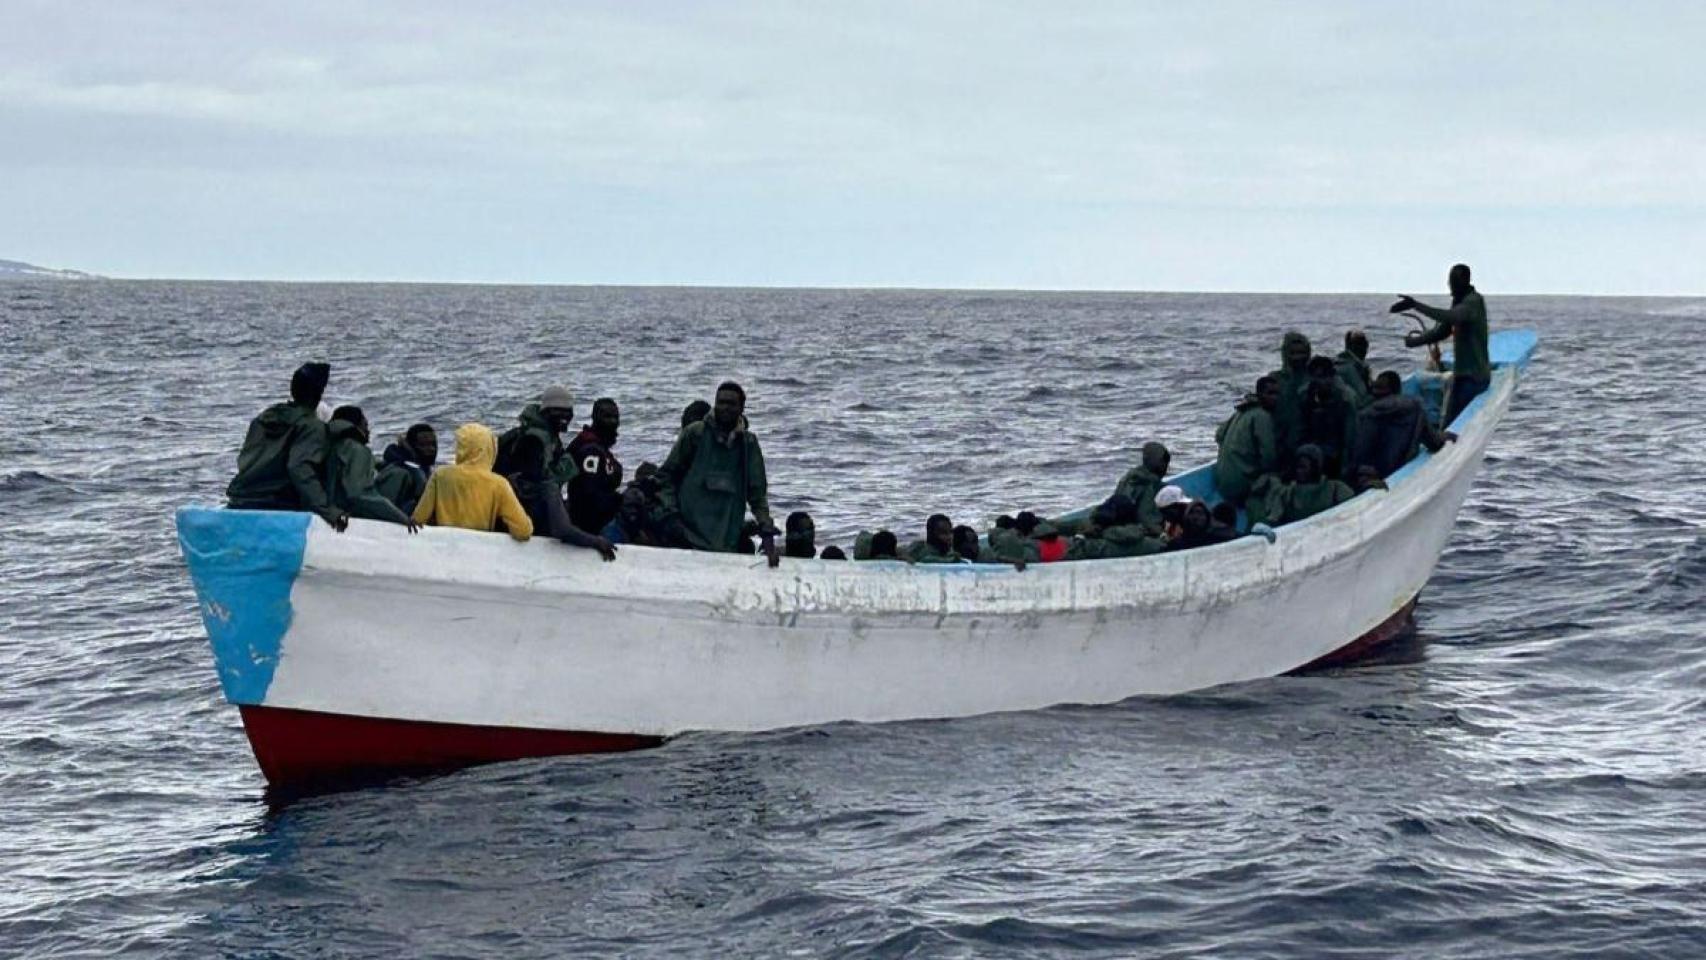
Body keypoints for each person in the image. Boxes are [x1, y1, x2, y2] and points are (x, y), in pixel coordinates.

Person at [656, 381, 779, 566]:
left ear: (741, 408)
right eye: (720, 402)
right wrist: (672, 517)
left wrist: (766, 530)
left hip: (726, 541)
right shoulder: (695, 434)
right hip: (687, 537)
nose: (725, 408)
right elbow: (666, 477)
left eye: (731, 404)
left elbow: (757, 494)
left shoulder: (749, 444)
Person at [226, 361, 345, 530]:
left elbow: (244, 461)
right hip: (277, 504)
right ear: (318, 395)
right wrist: (329, 511)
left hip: (240, 499)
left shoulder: (262, 419)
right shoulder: (312, 427)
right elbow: (299, 468)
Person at [1391, 263, 1491, 425]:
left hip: (1474, 378)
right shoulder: (1459, 300)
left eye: (1454, 281)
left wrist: (1416, 306)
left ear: (1465, 281)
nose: (1450, 285)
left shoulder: (1472, 302)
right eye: (1449, 281)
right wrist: (1414, 342)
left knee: (1452, 424)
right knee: (1448, 421)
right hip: (1462, 375)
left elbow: (1450, 317)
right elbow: (1442, 331)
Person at [411, 423, 534, 541]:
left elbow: (418, 518)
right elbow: (523, 531)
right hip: (478, 550)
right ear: (489, 448)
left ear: (460, 448)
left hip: (445, 547)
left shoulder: (440, 475)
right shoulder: (499, 483)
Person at [506, 434, 616, 560]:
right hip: (544, 554)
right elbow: (562, 530)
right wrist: (597, 541)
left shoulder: (509, 483)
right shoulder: (548, 489)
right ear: (542, 459)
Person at [324, 406, 419, 530]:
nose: (368, 432)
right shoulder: (356, 450)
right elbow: (358, 494)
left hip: (328, 507)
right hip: (351, 514)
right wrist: (402, 518)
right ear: (356, 426)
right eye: (365, 426)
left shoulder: (331, 445)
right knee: (399, 474)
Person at [1352, 371, 1457, 478]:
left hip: (1376, 475)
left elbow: (1358, 456)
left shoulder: (1366, 415)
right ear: (1399, 389)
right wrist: (1444, 436)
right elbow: (1434, 442)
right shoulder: (1416, 407)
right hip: (1402, 468)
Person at [1213, 376, 1280, 507]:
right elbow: (1269, 456)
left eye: (1277, 394)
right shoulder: (1262, 416)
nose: (1275, 398)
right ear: (1260, 394)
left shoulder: (1240, 412)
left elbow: (1219, 435)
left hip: (1222, 484)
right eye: (1270, 393)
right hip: (1241, 487)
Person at [1251, 444, 1355, 527]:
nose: (1299, 471)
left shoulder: (1335, 489)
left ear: (1316, 467)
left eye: (1303, 467)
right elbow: (1273, 519)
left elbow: (1354, 509)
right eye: (1297, 467)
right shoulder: (1288, 493)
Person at [496, 385, 576, 485]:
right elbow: (535, 482)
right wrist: (567, 467)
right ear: (545, 412)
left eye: (568, 411)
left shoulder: (549, 435)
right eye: (558, 410)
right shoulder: (533, 440)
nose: (565, 416)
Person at [566, 398, 624, 535]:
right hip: (591, 525)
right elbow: (589, 498)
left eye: (616, 417)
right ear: (595, 418)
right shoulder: (590, 451)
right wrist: (620, 501)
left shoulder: (599, 447)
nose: (613, 422)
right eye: (607, 417)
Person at [1301, 356, 1358, 477]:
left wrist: (1346, 466)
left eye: (1324, 377)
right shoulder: (1305, 394)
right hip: (1314, 448)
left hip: (1336, 450)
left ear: (1332, 376)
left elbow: (1350, 436)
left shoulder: (1345, 398)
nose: (1320, 382)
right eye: (1315, 377)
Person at [1065, 495, 1165, 560]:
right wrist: (1162, 535)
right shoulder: (1151, 544)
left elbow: (1071, 552)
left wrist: (1080, 536)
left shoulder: (1096, 546)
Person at [1269, 331, 1314, 472]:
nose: (1297, 358)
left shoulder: (1315, 377)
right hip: (1281, 440)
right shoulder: (1275, 379)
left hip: (1308, 440)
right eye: (1293, 353)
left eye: (1301, 353)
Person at [375, 423, 438, 515]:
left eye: (433, 444)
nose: (431, 449)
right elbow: (381, 512)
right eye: (423, 445)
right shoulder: (398, 473)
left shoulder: (422, 468)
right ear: (410, 446)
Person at [1113, 441, 1170, 535]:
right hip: (1136, 533)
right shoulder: (1149, 485)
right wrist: (1162, 535)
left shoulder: (1128, 478)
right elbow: (1145, 517)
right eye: (1163, 462)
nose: (1166, 467)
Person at [1166, 500, 1237, 552]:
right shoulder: (1176, 544)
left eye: (1199, 513)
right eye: (1191, 513)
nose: (1195, 516)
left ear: (1207, 517)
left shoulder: (1216, 540)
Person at [1335, 330, 1374, 409]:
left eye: (1365, 344)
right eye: (1359, 344)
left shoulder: (1361, 366)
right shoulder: (1345, 368)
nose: (1364, 348)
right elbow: (1361, 398)